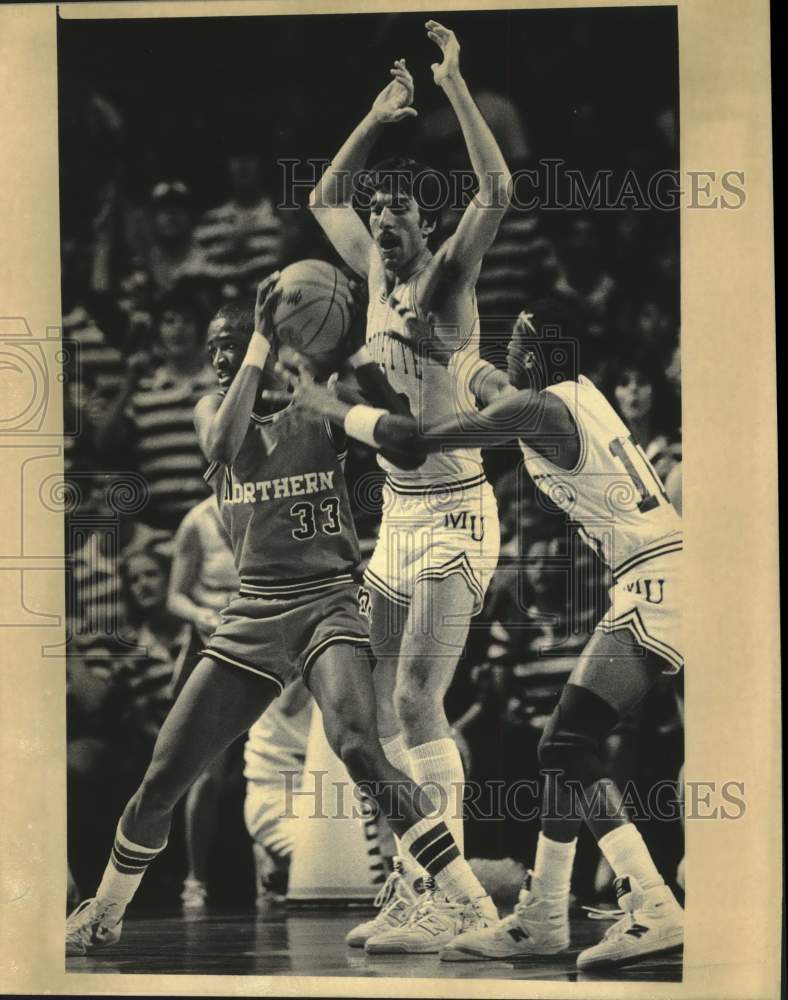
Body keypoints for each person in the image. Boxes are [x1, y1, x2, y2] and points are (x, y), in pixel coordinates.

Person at [65, 275, 498, 958]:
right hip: (253, 611)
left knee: (359, 744)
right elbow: (221, 448)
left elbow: (408, 439)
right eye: (213, 348)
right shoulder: (211, 411)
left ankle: (468, 899)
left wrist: (352, 356)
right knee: (163, 776)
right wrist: (261, 340)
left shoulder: (316, 406)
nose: (217, 358)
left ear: (269, 344)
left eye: (229, 344)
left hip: (328, 599)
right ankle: (107, 910)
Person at [275, 297, 684, 970]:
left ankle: (653, 902)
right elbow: (471, 381)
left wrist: (336, 409)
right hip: (655, 574)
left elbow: (416, 439)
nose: (508, 348)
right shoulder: (566, 397)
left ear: (541, 350)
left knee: (567, 742)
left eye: (519, 336)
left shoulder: (541, 409)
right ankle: (545, 916)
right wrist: (417, 350)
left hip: (657, 577)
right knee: (562, 752)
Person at [307, 20, 510, 951]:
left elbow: (498, 187)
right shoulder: (369, 274)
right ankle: (417, 888)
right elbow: (322, 193)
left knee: (420, 703)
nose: (382, 219)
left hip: (457, 512)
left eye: (397, 211)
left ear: (423, 224)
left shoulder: (448, 283)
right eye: (377, 209)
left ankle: (458, 898)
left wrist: (453, 85)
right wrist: (379, 112)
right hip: (396, 515)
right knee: (382, 713)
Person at [167, 494, 241, 909]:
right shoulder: (196, 521)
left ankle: (275, 875)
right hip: (211, 648)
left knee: (278, 759)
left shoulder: (267, 507)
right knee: (208, 775)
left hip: (264, 640)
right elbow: (174, 596)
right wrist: (199, 615)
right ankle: (195, 878)